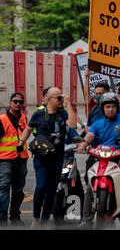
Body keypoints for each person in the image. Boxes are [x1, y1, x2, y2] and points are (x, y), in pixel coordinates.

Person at [77, 92, 120, 229]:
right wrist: (82, 145)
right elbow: (89, 136)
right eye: (107, 107)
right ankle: (87, 220)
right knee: (89, 185)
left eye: (113, 106)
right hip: (101, 158)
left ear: (117, 107)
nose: (110, 109)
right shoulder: (97, 123)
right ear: (103, 108)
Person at [20, 87, 77, 228]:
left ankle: (44, 221)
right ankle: (36, 218)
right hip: (41, 158)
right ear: (49, 99)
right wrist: (21, 141)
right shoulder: (38, 114)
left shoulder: (63, 114)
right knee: (40, 187)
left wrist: (68, 103)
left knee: (51, 191)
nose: (61, 100)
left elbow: (72, 125)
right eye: (59, 98)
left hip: (57, 159)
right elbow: (28, 128)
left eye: (61, 98)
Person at [0, 93, 29, 226]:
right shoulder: (2, 119)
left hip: (21, 159)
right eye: (15, 101)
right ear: (10, 103)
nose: (18, 104)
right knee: (4, 188)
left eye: (20, 102)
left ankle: (15, 216)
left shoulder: (24, 118)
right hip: (5, 160)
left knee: (18, 190)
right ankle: (2, 218)